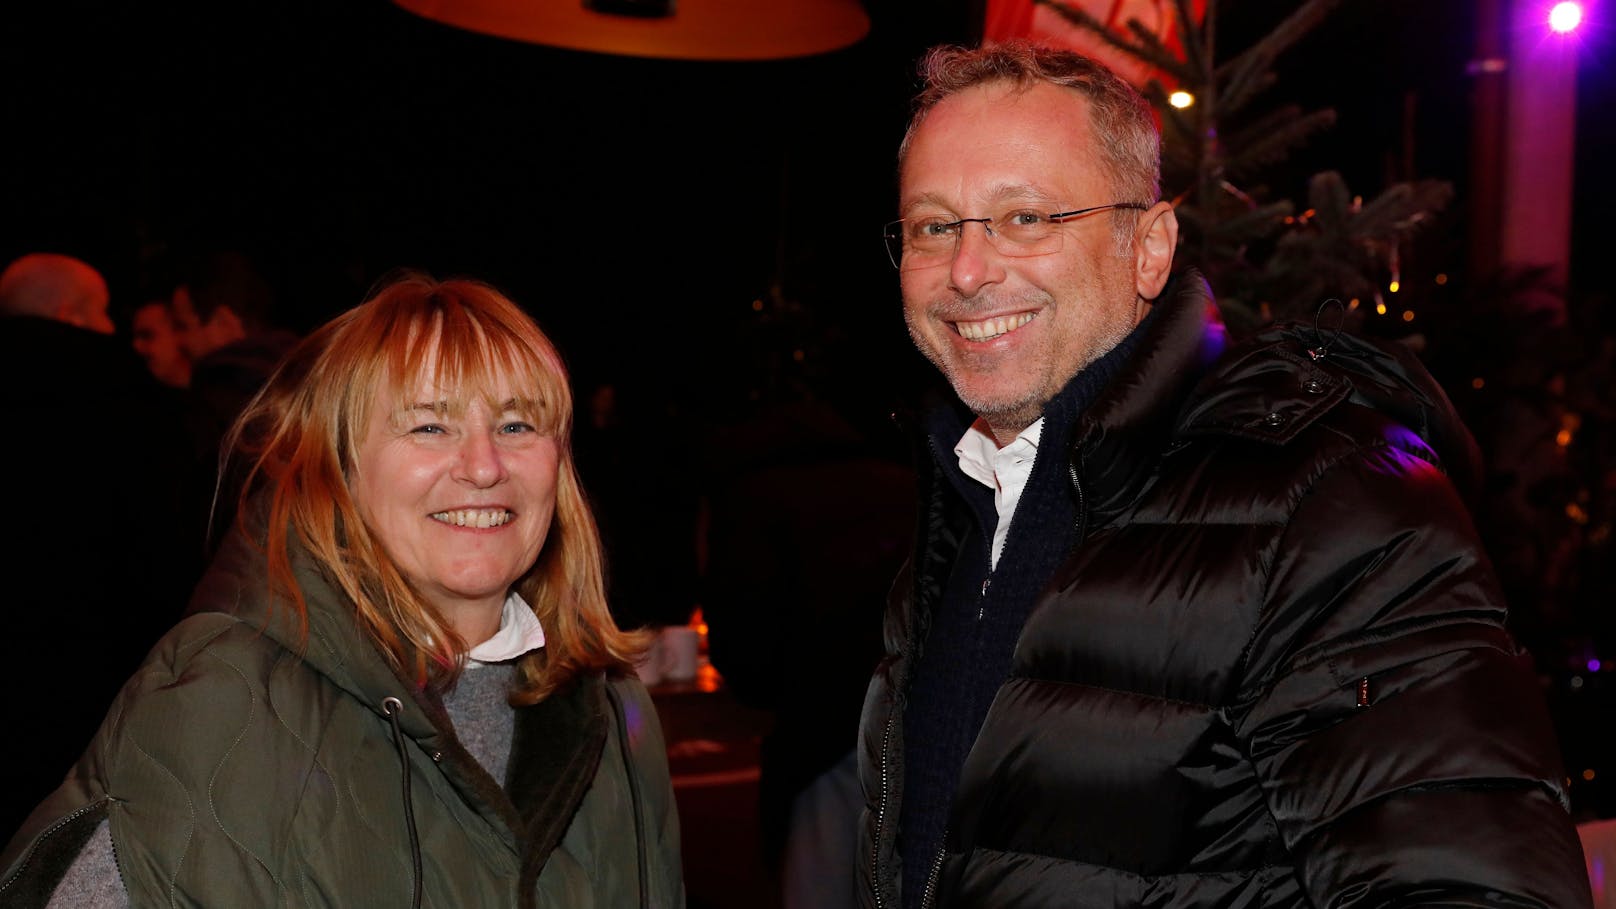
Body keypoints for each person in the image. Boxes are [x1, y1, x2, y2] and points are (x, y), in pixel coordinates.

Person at [856, 41, 1593, 908]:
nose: (969, 270)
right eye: (935, 226)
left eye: (1027, 218)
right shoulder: (963, 505)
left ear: (1151, 248)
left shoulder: (1323, 500)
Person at [0, 273, 685, 908]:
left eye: (516, 424)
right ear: (337, 468)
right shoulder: (220, 700)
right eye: (428, 424)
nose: (484, 465)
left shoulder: (613, 710)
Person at [0, 252, 198, 839]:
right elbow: (165, 559)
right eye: (105, 313)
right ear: (72, 313)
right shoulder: (125, 398)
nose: (115, 328)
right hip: (86, 690)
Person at [128, 295, 194, 389]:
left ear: (179, 334)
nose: (136, 345)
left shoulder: (215, 392)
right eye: (135, 337)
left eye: (147, 335)